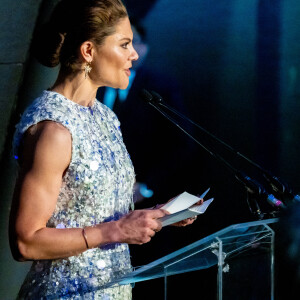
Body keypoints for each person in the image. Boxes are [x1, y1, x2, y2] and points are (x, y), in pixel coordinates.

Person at [9, 0, 199, 299]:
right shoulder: (54, 130)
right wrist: (117, 231)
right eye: (125, 44)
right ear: (88, 51)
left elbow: (99, 214)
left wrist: (158, 214)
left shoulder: (105, 116)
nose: (134, 54)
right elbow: (26, 242)